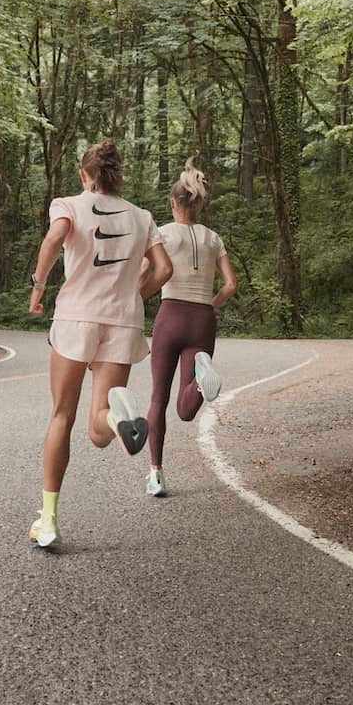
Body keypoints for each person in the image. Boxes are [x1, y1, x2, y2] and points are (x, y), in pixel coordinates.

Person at [26, 139, 172, 550]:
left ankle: (48, 521)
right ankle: (116, 420)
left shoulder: (68, 205)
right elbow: (164, 268)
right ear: (117, 176)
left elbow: (53, 239)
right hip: (122, 323)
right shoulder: (142, 217)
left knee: (61, 416)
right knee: (97, 428)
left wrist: (38, 288)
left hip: (76, 319)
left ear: (84, 175)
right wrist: (134, 296)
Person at [143, 160, 238, 498]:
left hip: (170, 316)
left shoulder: (163, 234)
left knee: (159, 397)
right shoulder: (214, 238)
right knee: (186, 410)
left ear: (173, 202)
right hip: (202, 320)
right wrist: (211, 304)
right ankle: (201, 377)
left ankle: (156, 474)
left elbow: (146, 273)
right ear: (198, 204)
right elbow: (231, 284)